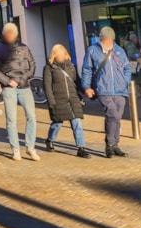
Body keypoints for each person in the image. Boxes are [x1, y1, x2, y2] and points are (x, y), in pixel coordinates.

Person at [0, 22, 39, 162]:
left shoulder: (24, 48)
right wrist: (8, 81)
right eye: (7, 34)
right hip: (9, 88)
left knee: (31, 117)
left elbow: (32, 64)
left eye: (12, 33)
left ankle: (30, 147)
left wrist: (23, 79)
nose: (10, 36)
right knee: (11, 120)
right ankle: (15, 150)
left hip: (24, 86)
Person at [81, 26, 133, 158]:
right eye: (107, 40)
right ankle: (109, 145)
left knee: (117, 117)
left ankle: (115, 144)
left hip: (120, 90)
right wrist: (86, 87)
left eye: (112, 40)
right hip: (103, 88)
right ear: (101, 39)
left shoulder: (119, 51)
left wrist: (125, 81)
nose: (110, 42)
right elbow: (87, 69)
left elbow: (127, 67)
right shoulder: (92, 50)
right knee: (112, 115)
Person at [43, 44, 90, 158]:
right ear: (54, 55)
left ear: (66, 54)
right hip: (58, 100)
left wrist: (86, 90)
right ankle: (50, 140)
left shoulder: (71, 66)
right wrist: (51, 102)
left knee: (77, 123)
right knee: (57, 124)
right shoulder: (49, 68)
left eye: (62, 54)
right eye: (58, 54)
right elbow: (47, 87)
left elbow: (77, 82)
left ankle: (81, 148)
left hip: (73, 99)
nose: (61, 56)